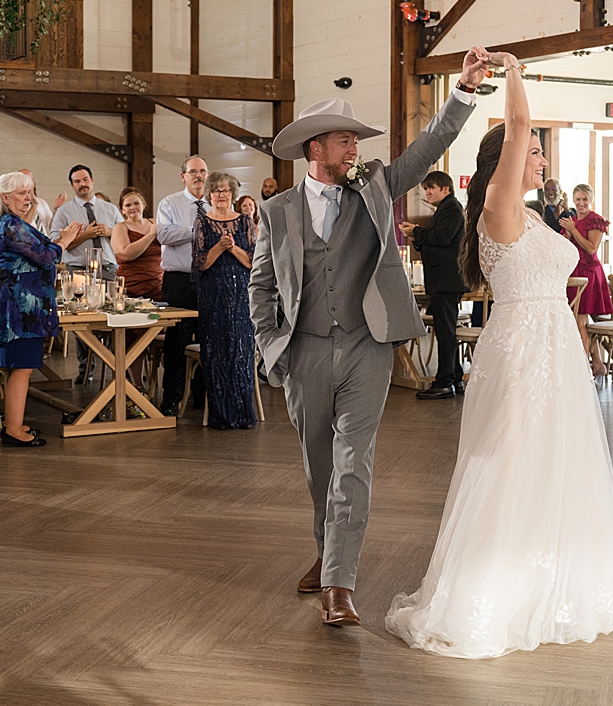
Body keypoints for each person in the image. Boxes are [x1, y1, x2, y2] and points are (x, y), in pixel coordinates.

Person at [386, 51, 613, 659]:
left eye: (536, 153)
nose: (540, 158)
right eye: (533, 152)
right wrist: (511, 74)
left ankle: (558, 565)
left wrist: (579, 333)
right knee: (513, 454)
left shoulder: (532, 214)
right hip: (521, 348)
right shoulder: (498, 205)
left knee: (559, 454)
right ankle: (500, 583)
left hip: (553, 341)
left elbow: (555, 282)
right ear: (505, 160)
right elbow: (519, 130)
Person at [249, 54, 482, 629]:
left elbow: (428, 147)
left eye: (356, 140)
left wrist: (464, 91)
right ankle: (328, 553)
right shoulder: (277, 212)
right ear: (314, 150)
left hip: (367, 346)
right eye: (343, 141)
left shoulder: (375, 185)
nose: (354, 149)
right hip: (302, 351)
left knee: (354, 461)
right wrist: (271, 346)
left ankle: (339, 583)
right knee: (320, 465)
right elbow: (259, 285)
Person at [0, 171, 86, 447]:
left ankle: (13, 423)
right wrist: (65, 239)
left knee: (21, 366)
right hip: (20, 309)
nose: (28, 198)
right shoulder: (10, 226)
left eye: (30, 192)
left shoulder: (12, 223)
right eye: (21, 193)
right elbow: (45, 256)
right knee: (22, 368)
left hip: (18, 304)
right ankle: (13, 430)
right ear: (5, 197)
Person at [193, 172, 257, 429]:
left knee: (241, 350)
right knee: (217, 350)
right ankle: (221, 414)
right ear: (210, 195)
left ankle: (243, 412)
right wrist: (219, 247)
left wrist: (232, 248)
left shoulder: (245, 222)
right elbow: (199, 264)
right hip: (213, 294)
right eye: (217, 191)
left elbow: (253, 261)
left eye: (226, 191)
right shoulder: (202, 223)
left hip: (241, 293)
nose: (222, 194)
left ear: (232, 194)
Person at [50, 164, 122, 384]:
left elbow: (124, 236)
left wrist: (110, 231)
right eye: (77, 181)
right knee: (81, 321)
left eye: (85, 179)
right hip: (79, 271)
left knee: (113, 317)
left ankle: (113, 367)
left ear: (92, 180)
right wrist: (85, 234)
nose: (83, 184)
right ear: (72, 185)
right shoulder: (65, 212)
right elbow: (55, 243)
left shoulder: (110, 209)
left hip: (108, 269)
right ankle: (85, 369)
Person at [400, 170, 465, 400]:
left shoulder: (451, 208)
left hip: (447, 280)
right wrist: (417, 236)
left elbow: (443, 238)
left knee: (446, 333)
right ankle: (455, 377)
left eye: (432, 188)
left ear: (445, 189)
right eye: (425, 189)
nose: (427, 192)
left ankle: (444, 383)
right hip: (442, 280)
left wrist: (417, 232)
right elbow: (438, 240)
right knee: (445, 331)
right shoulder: (445, 209)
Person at [156, 155, 209, 416]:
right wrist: (198, 230)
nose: (198, 176)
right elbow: (164, 234)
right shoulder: (170, 203)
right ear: (183, 176)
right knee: (177, 341)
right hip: (179, 280)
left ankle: (202, 397)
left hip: (209, 280)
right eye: (193, 172)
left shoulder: (214, 204)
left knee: (206, 337)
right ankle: (171, 400)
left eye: (202, 171)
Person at [561, 183, 611, 377]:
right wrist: (566, 235)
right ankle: (597, 363)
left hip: (588, 273)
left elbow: (591, 248)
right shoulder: (571, 220)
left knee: (580, 320)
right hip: (574, 272)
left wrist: (573, 231)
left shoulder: (595, 220)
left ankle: (581, 370)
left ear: (591, 200)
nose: (581, 203)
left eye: (585, 199)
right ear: (573, 200)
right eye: (578, 199)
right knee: (578, 320)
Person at [112, 189, 162, 302]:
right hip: (132, 286)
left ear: (143, 205)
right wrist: (151, 235)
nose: (133, 207)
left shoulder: (154, 223)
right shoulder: (120, 227)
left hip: (158, 284)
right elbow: (126, 254)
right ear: (123, 210)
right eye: (128, 205)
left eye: (136, 203)